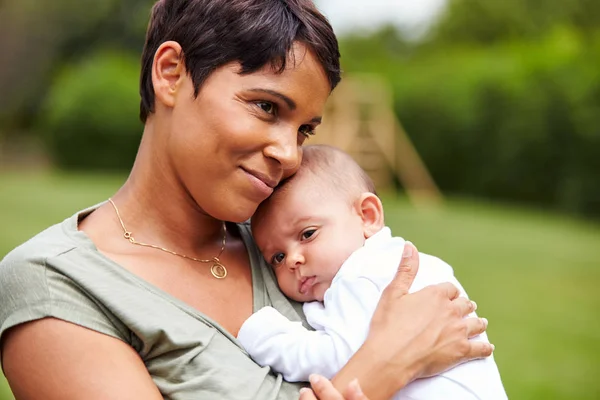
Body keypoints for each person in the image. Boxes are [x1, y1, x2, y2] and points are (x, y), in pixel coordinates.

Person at [0, 1, 493, 399]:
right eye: (265, 106)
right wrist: (387, 363)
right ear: (171, 73)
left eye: (304, 130)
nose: (289, 154)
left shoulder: (287, 242)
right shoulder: (58, 285)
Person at [239, 145, 507, 399]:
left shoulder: (363, 273)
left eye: (308, 234)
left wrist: (262, 335)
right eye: (277, 257)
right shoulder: (394, 259)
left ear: (367, 216)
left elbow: (343, 360)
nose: (293, 261)